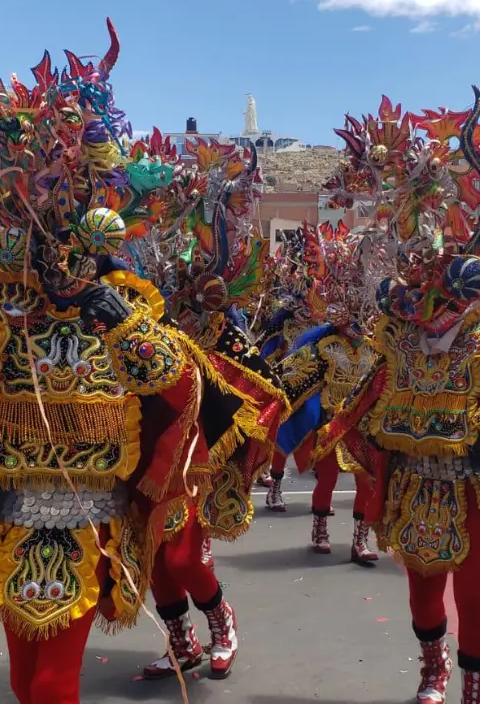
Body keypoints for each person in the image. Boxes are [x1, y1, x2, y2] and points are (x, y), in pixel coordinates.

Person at [0, 20, 225, 704]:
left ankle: (213, 616)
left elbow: (176, 380)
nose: (59, 262)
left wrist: (112, 315)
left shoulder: (122, 306)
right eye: (48, 246)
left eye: (72, 248)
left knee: (51, 684)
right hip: (15, 520)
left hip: (85, 525)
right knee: (25, 683)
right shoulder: (6, 305)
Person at [319, 90, 480, 704]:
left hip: (476, 486)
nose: (429, 312)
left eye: (441, 294)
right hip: (415, 482)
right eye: (416, 293)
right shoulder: (396, 333)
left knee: (474, 595)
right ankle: (432, 671)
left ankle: (475, 690)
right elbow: (367, 391)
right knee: (422, 594)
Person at [120, 135, 287, 680]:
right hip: (134, 438)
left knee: (181, 555)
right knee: (150, 557)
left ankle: (222, 622)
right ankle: (180, 643)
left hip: (187, 447)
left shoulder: (211, 325)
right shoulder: (128, 289)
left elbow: (258, 386)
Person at [274, 224, 383, 563]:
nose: (358, 323)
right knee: (330, 479)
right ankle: (319, 529)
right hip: (330, 422)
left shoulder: (375, 350)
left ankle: (359, 540)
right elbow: (295, 374)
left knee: (366, 483)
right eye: (352, 315)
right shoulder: (323, 346)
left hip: (362, 424)